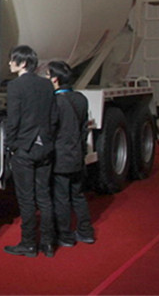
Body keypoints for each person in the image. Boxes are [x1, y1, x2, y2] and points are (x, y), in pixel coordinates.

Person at [3, 45, 59, 258]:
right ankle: (48, 244)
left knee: (26, 199)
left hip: (24, 148)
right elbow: (54, 116)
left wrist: (11, 144)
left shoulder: (15, 86)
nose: (9, 63)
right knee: (44, 196)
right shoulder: (46, 85)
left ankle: (28, 244)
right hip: (45, 146)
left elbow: (13, 119)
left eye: (12, 59)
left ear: (23, 63)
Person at [47, 60, 95, 247]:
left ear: (55, 79)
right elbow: (83, 127)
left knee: (61, 198)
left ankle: (65, 236)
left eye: (47, 75)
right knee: (78, 195)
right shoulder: (81, 99)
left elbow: (52, 130)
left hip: (61, 157)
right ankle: (86, 231)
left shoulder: (56, 102)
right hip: (77, 154)